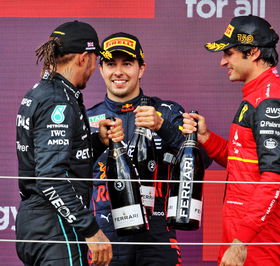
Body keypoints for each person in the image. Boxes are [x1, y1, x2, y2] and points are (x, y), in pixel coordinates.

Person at [182, 15, 280, 266]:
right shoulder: (257, 95)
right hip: (242, 236)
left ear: (254, 52)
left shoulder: (271, 103)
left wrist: (241, 242)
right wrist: (206, 138)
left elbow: (276, 179)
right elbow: (243, 162)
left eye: (230, 53)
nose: (223, 61)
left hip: (258, 242)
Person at [87, 32, 203, 265]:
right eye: (111, 64)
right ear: (101, 70)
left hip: (157, 234)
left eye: (127, 64)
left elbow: (202, 160)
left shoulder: (167, 112)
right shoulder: (88, 118)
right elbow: (68, 175)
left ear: (141, 69)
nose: (118, 72)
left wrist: (163, 127)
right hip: (107, 237)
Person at [16, 21, 123, 266]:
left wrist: (97, 142)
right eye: (96, 59)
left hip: (36, 224)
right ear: (84, 58)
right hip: (56, 226)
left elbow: (56, 157)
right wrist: (91, 230)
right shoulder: (58, 101)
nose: (95, 68)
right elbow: (51, 176)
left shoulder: (41, 91)